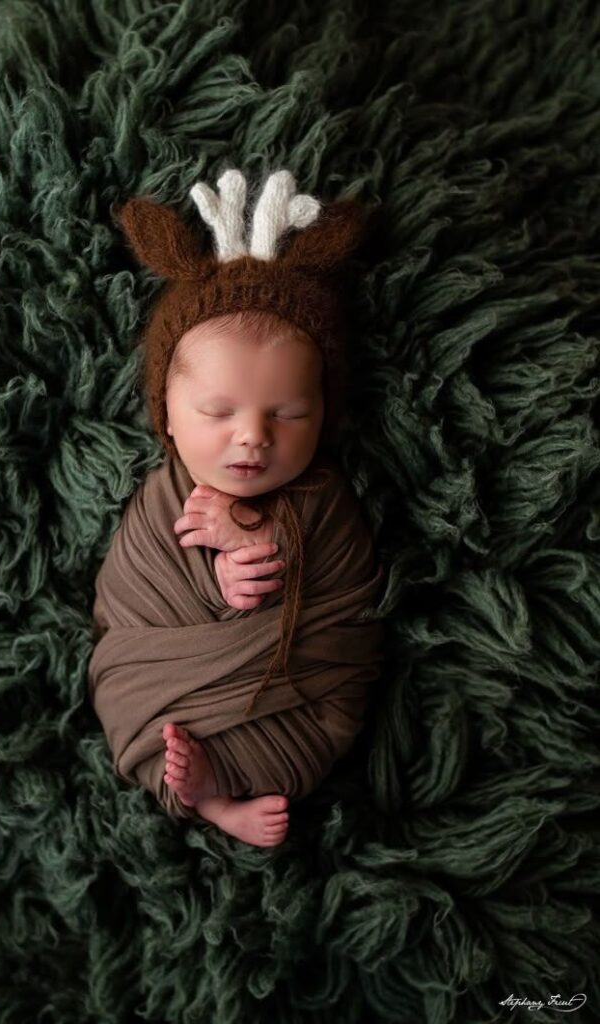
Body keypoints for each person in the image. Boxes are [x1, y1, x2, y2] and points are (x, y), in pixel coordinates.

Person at [88, 168, 386, 847]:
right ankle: (210, 800)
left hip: (299, 698)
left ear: (324, 415)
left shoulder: (324, 499)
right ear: (167, 411)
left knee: (332, 718)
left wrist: (257, 536)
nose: (253, 436)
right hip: (167, 683)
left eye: (288, 413)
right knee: (124, 693)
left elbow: (344, 590)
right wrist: (214, 573)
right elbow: (128, 594)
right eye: (218, 412)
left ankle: (218, 789)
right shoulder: (159, 499)